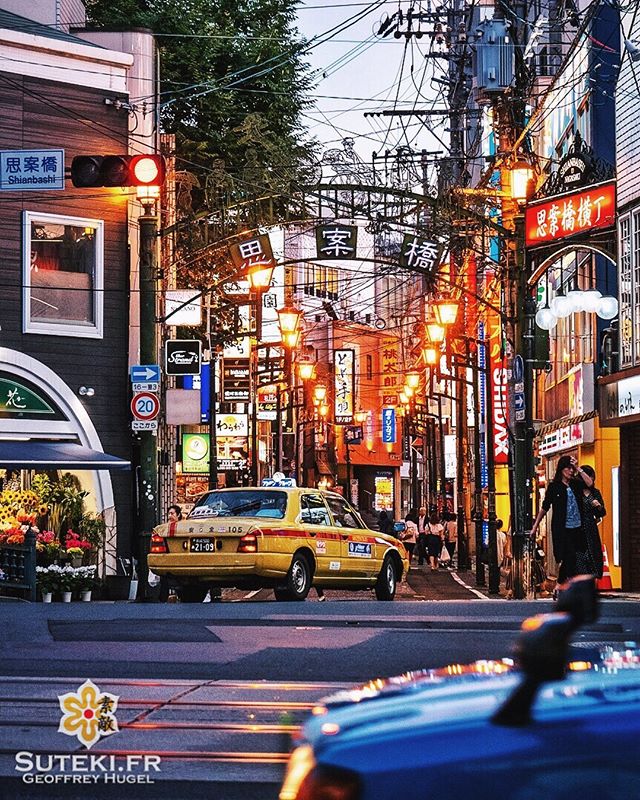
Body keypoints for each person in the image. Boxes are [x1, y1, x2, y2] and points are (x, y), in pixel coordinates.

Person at [531, 455, 597, 586]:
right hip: (562, 529)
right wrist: (535, 526)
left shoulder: (576, 484)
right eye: (569, 468)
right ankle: (564, 585)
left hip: (578, 528)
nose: (571, 471)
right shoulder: (554, 487)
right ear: (561, 469)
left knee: (573, 558)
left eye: (572, 468)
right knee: (568, 556)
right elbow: (545, 507)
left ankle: (561, 585)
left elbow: (590, 484)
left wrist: (579, 467)